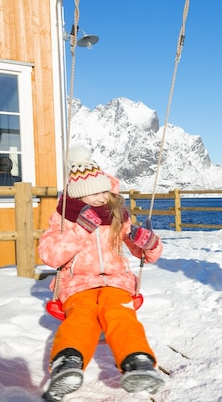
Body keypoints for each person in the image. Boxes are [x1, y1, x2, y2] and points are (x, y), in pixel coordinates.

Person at [38, 146, 164, 401]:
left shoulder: (119, 216)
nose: (100, 198)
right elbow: (50, 255)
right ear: (79, 195)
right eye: (93, 193)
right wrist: (80, 230)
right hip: (78, 283)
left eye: (104, 190)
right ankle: (67, 363)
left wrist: (148, 243)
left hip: (117, 281)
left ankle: (137, 360)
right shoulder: (65, 220)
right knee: (81, 316)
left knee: (119, 312)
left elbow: (145, 256)